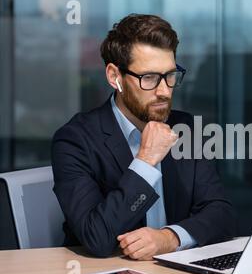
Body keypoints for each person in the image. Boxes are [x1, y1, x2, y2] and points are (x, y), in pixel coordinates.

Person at [51, 14, 237, 259]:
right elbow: (96, 237)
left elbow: (220, 213)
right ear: (114, 77)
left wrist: (170, 238)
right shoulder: (75, 140)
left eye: (170, 76)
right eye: (149, 78)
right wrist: (146, 160)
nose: (164, 91)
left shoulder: (186, 127)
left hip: (176, 271)